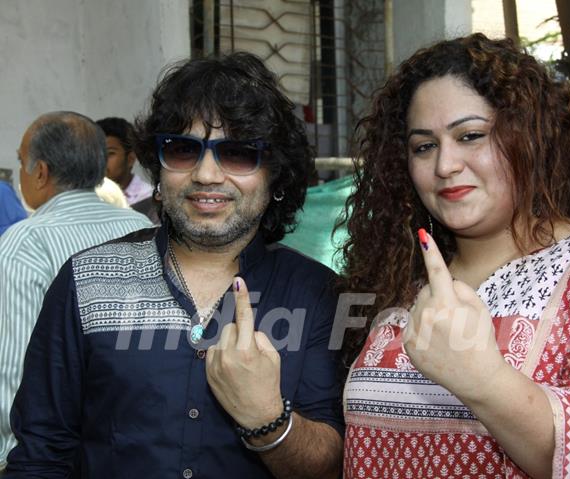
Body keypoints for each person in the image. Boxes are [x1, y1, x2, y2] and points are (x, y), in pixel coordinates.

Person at [339, 33, 570, 478]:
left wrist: (484, 381)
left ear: (530, 137)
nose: (445, 164)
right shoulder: (401, 277)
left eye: (470, 135)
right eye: (424, 146)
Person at [5, 52, 343, 478]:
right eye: (183, 150)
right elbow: (41, 455)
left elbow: (333, 465)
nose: (205, 174)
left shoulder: (317, 295)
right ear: (159, 171)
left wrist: (267, 420)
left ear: (274, 175)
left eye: (237, 154)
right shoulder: (85, 280)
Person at [0, 111, 153, 468]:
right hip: (133, 444)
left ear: (40, 172)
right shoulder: (141, 225)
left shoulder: (26, 242)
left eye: (22, 162)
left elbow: (13, 372)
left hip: (49, 456)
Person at [96, 116, 158, 222]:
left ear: (130, 159)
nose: (101, 160)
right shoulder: (88, 196)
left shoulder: (150, 200)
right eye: (96, 153)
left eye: (110, 153)